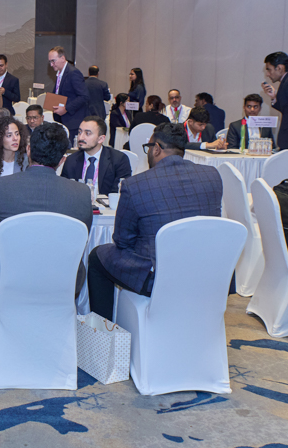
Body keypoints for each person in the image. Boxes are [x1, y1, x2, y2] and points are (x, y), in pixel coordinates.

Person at [0, 123, 92, 361]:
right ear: (61, 160)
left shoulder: (2, 186)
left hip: (9, 273)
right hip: (61, 277)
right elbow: (81, 238)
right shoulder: (81, 193)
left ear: (28, 150)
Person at [88, 123, 222, 320]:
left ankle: (104, 331)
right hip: (206, 273)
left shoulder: (135, 185)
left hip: (157, 278)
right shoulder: (212, 176)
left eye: (148, 147)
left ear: (156, 148)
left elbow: (123, 241)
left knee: (96, 257)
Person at [61, 117, 132, 195]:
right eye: (79, 132)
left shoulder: (119, 160)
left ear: (101, 139)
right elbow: (64, 190)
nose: (80, 137)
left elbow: (120, 192)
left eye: (87, 133)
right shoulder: (71, 160)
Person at [46, 46, 89, 142]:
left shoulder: (73, 73)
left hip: (72, 121)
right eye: (50, 62)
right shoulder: (60, 73)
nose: (51, 64)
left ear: (62, 58)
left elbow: (84, 96)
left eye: (53, 61)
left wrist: (66, 108)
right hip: (62, 120)